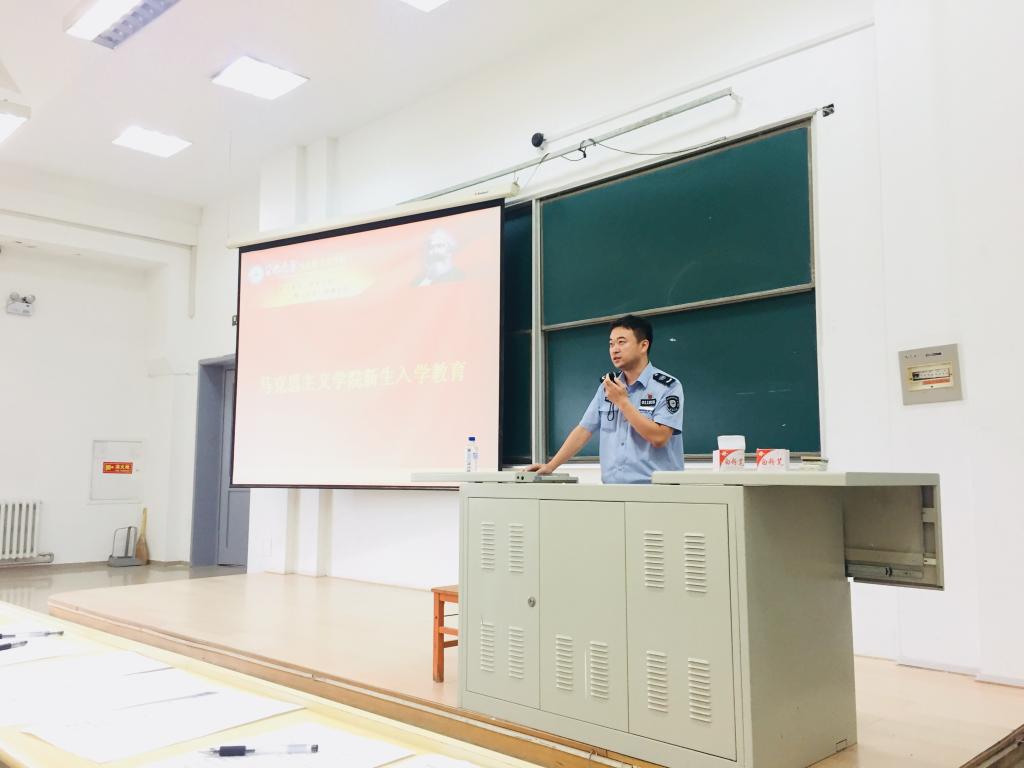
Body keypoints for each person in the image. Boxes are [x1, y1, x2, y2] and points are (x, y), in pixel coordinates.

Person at [525, 314, 684, 483]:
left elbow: (659, 438)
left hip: (655, 491)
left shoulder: (668, 387)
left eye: (621, 342)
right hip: (612, 490)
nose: (615, 349)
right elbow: (584, 430)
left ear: (643, 345)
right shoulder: (608, 386)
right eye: (611, 344)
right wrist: (550, 466)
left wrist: (623, 402)